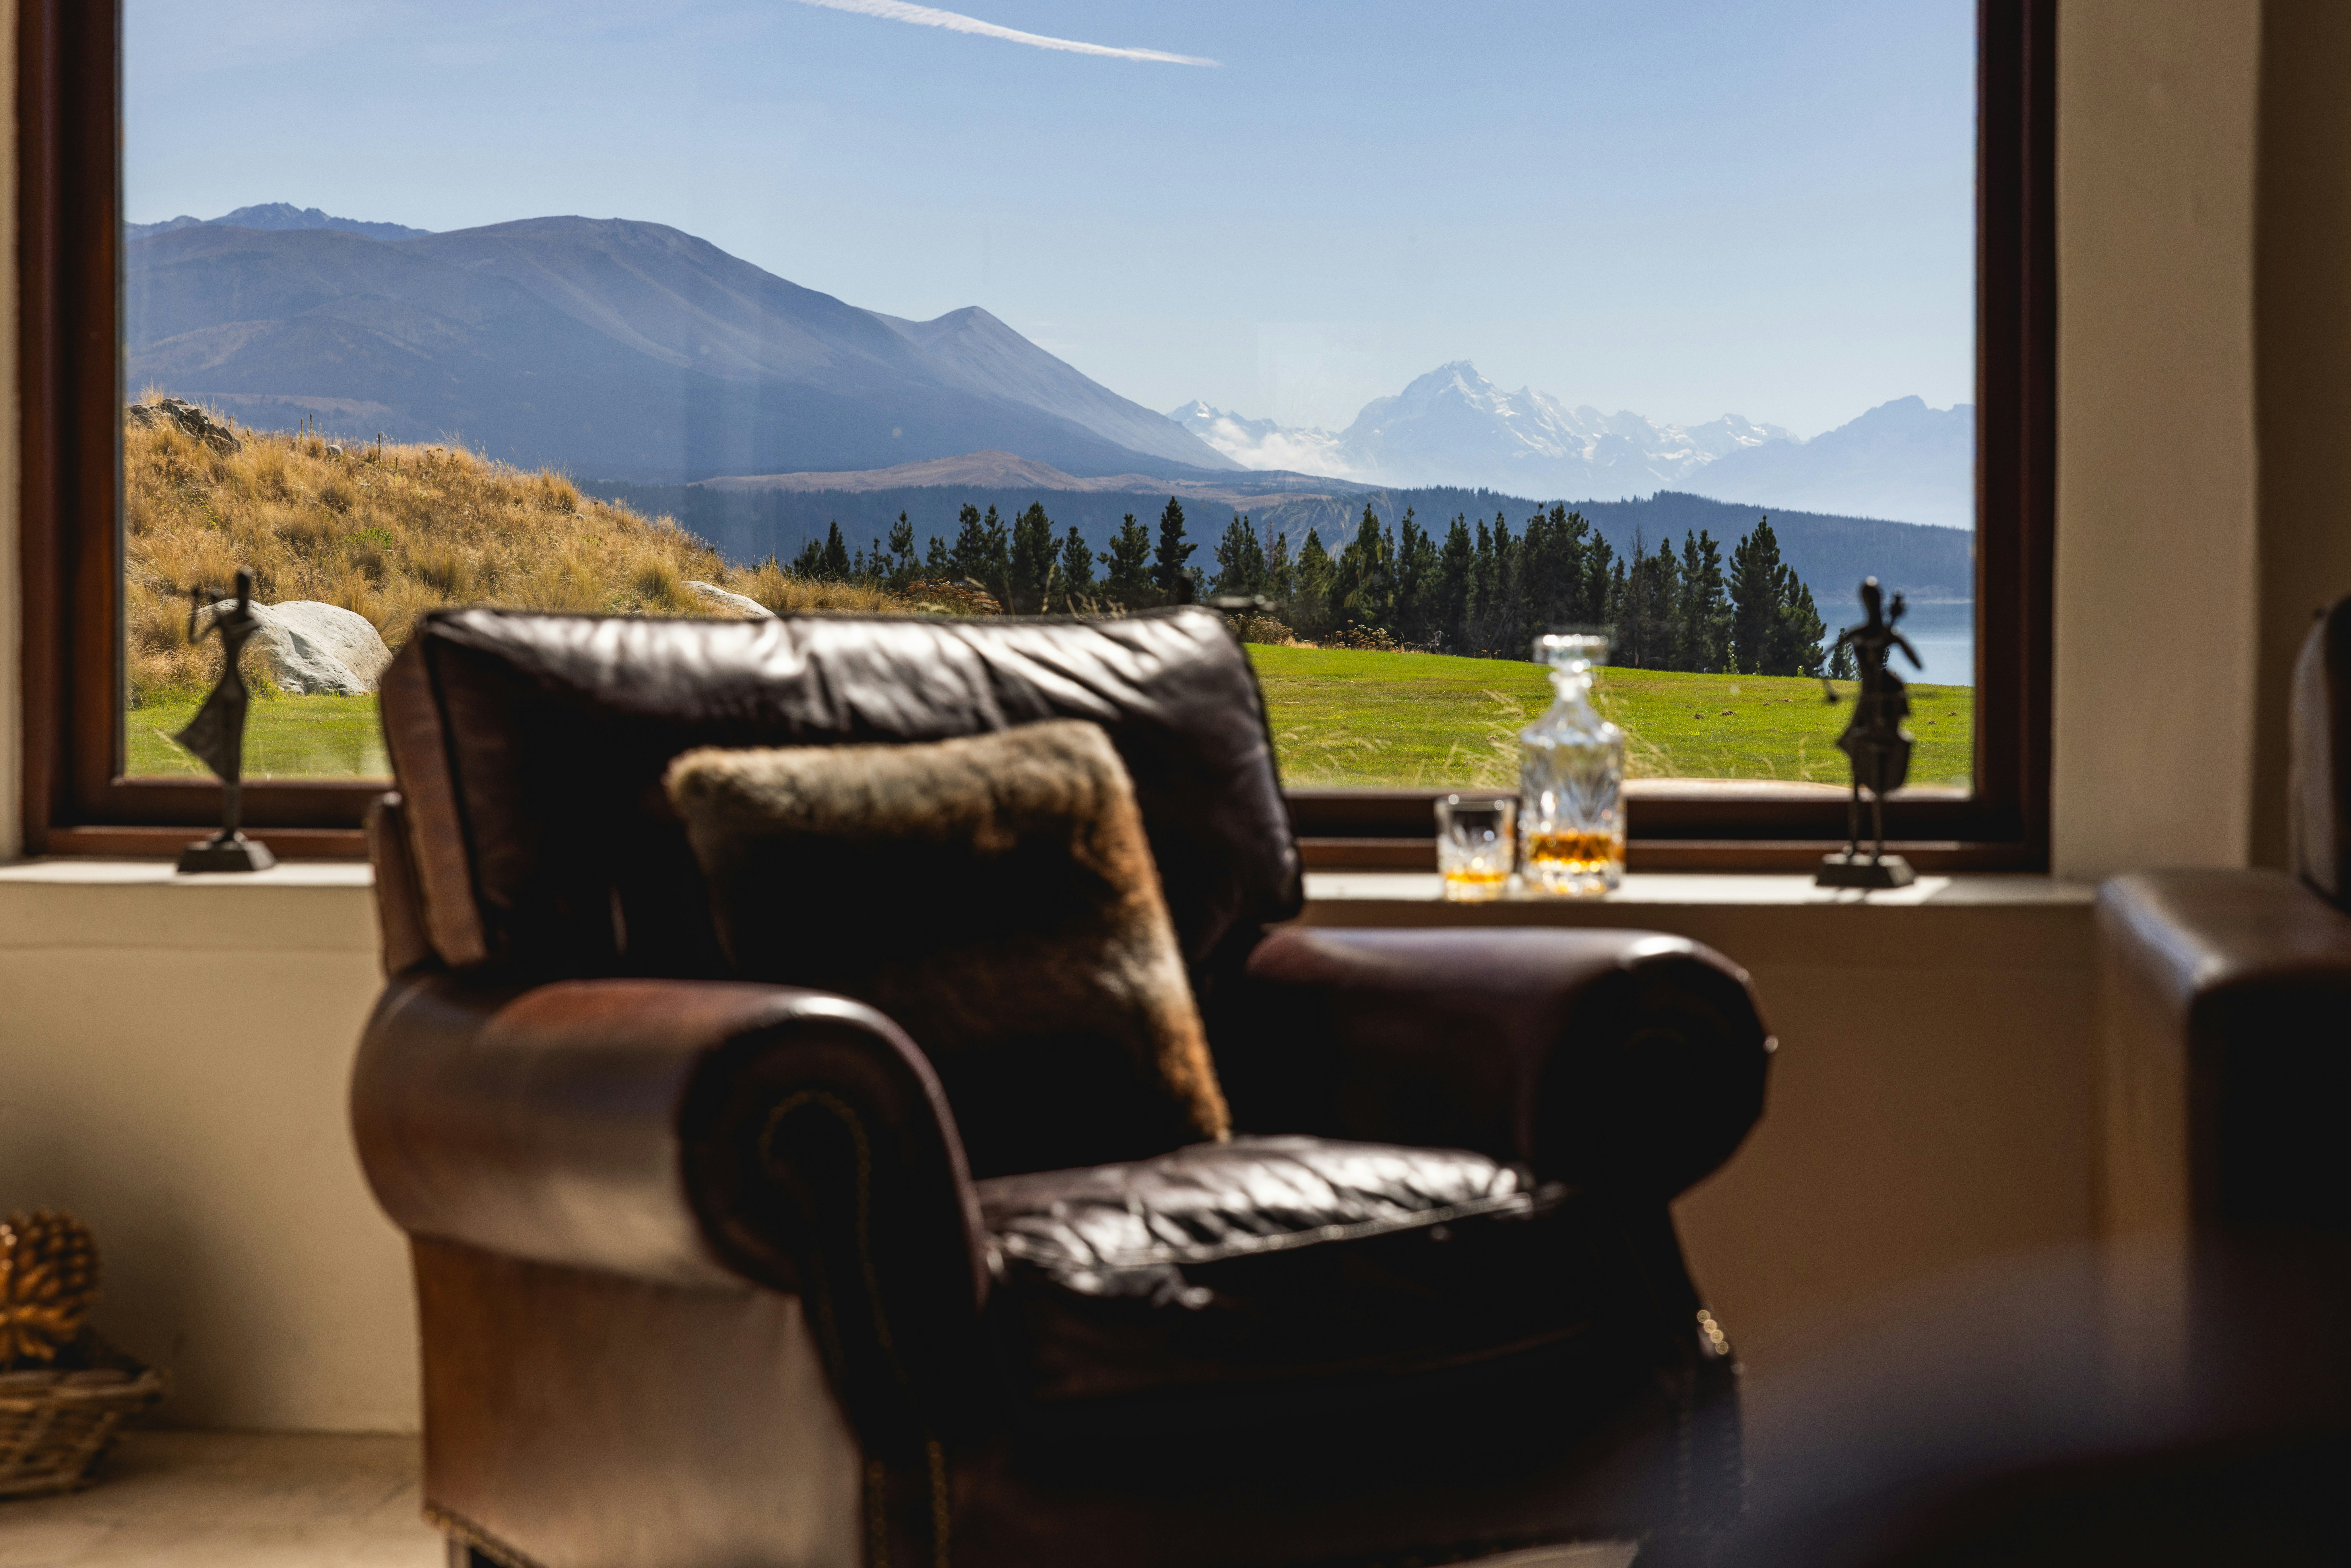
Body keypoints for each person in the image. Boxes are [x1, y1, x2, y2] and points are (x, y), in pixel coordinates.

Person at [1821, 577, 1921, 861]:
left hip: (1884, 701)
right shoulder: (1862, 633)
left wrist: (1896, 635)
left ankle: (1876, 844)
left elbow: (1916, 662)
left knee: (1874, 779)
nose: (1872, 606)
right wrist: (1831, 692)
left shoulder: (1873, 633)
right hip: (1867, 704)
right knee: (1856, 771)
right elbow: (1826, 658)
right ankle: (1854, 842)